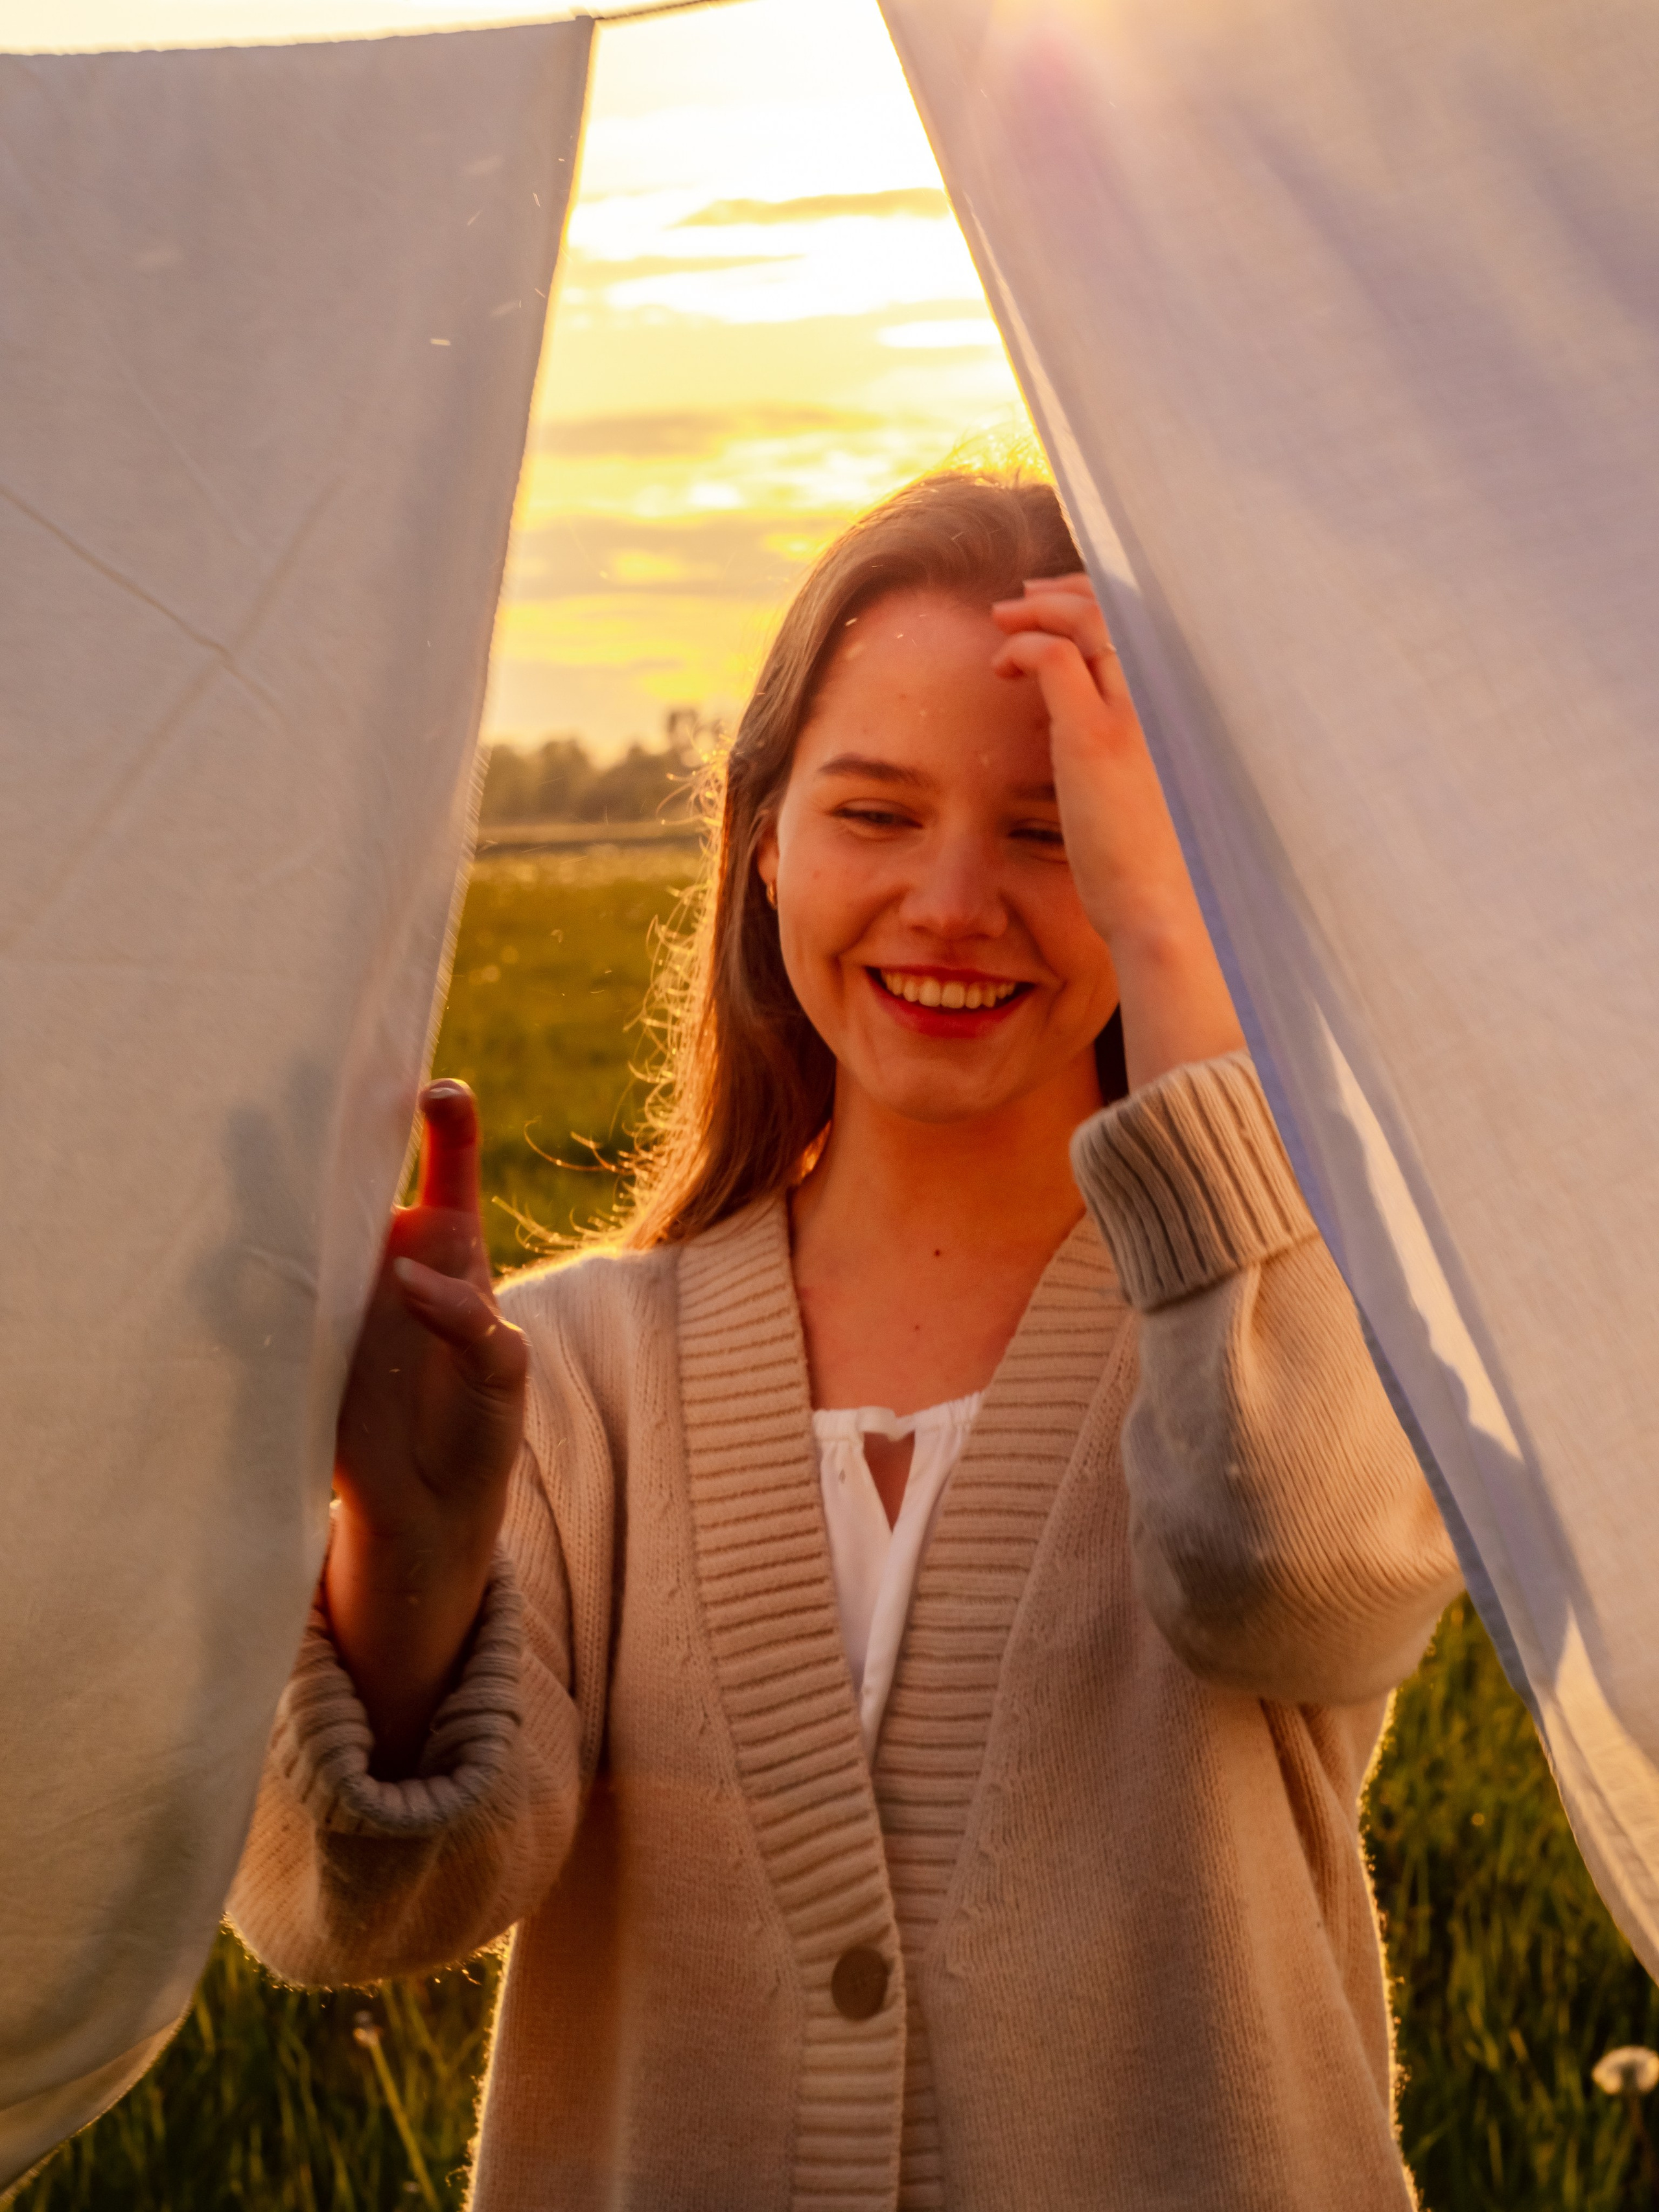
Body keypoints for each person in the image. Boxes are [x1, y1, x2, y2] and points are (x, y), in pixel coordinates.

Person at [231, 469, 1462, 2210]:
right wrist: (410, 1565)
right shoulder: (581, 1373)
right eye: (874, 813)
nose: (952, 905)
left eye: (1050, 832)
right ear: (761, 841)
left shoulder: (1289, 1341)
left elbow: (1298, 1577)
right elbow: (355, 1911)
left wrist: (1183, 927)